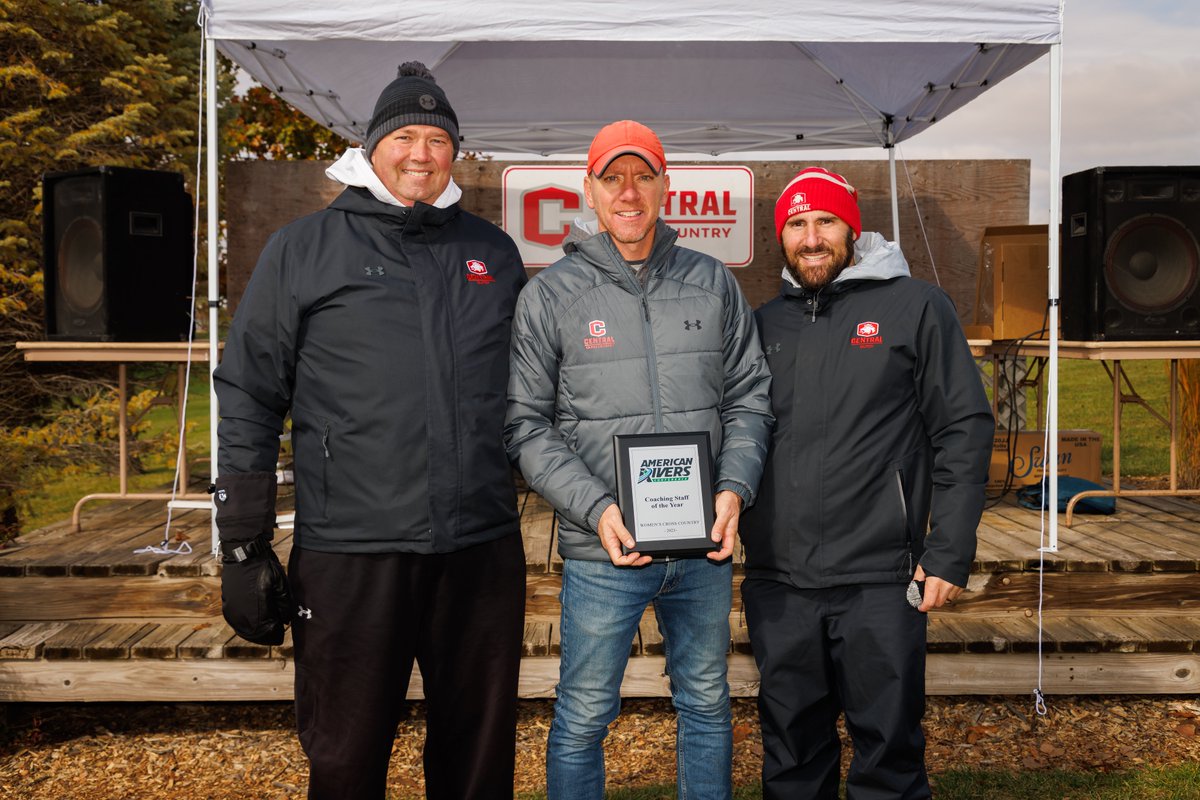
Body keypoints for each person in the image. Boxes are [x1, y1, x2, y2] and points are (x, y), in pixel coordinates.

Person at [211, 62, 527, 800]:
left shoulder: (494, 253)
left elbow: (532, 393)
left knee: (478, 763)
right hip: (352, 551)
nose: (422, 153)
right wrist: (242, 542)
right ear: (372, 145)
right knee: (347, 759)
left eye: (438, 139)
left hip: (478, 548)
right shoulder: (303, 250)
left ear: (457, 152)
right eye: (406, 136)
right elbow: (250, 393)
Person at [504, 120, 774, 800]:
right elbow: (526, 425)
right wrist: (596, 509)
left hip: (703, 549)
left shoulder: (712, 283)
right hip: (604, 554)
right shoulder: (550, 296)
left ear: (665, 187)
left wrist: (734, 489)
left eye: (643, 175)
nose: (629, 191)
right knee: (585, 713)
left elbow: (750, 400)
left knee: (708, 705)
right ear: (589, 192)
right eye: (612, 177)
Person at [740, 167, 995, 799]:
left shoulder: (916, 307)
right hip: (781, 581)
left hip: (881, 578)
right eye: (796, 225)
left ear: (853, 228)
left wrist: (949, 553)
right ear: (782, 239)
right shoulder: (762, 324)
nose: (812, 238)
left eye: (825, 221)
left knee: (889, 754)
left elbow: (963, 428)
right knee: (792, 755)